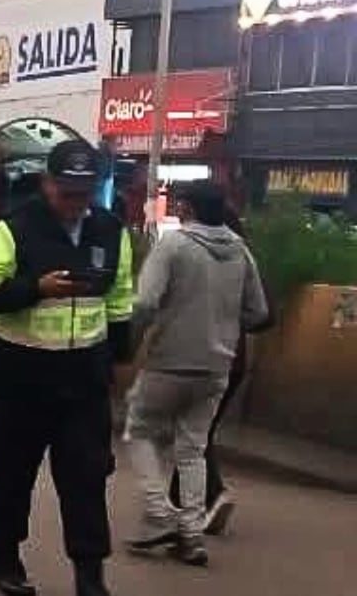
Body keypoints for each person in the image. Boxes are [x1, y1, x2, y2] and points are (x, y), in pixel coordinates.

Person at [0, 140, 135, 596]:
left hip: (83, 380)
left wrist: (120, 360)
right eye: (66, 191)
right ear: (47, 184)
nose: (75, 202)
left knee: (86, 478)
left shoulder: (109, 229)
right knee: (13, 473)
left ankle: (89, 574)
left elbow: (120, 299)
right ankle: (6, 559)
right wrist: (35, 289)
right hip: (23, 377)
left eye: (84, 191)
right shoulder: (15, 229)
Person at [124, 181, 269, 567]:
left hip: (170, 360)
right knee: (192, 449)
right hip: (218, 366)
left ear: (186, 208)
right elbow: (258, 313)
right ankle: (191, 535)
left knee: (138, 429)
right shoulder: (240, 250)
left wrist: (127, 346)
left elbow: (146, 302)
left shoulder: (173, 245)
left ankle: (159, 513)